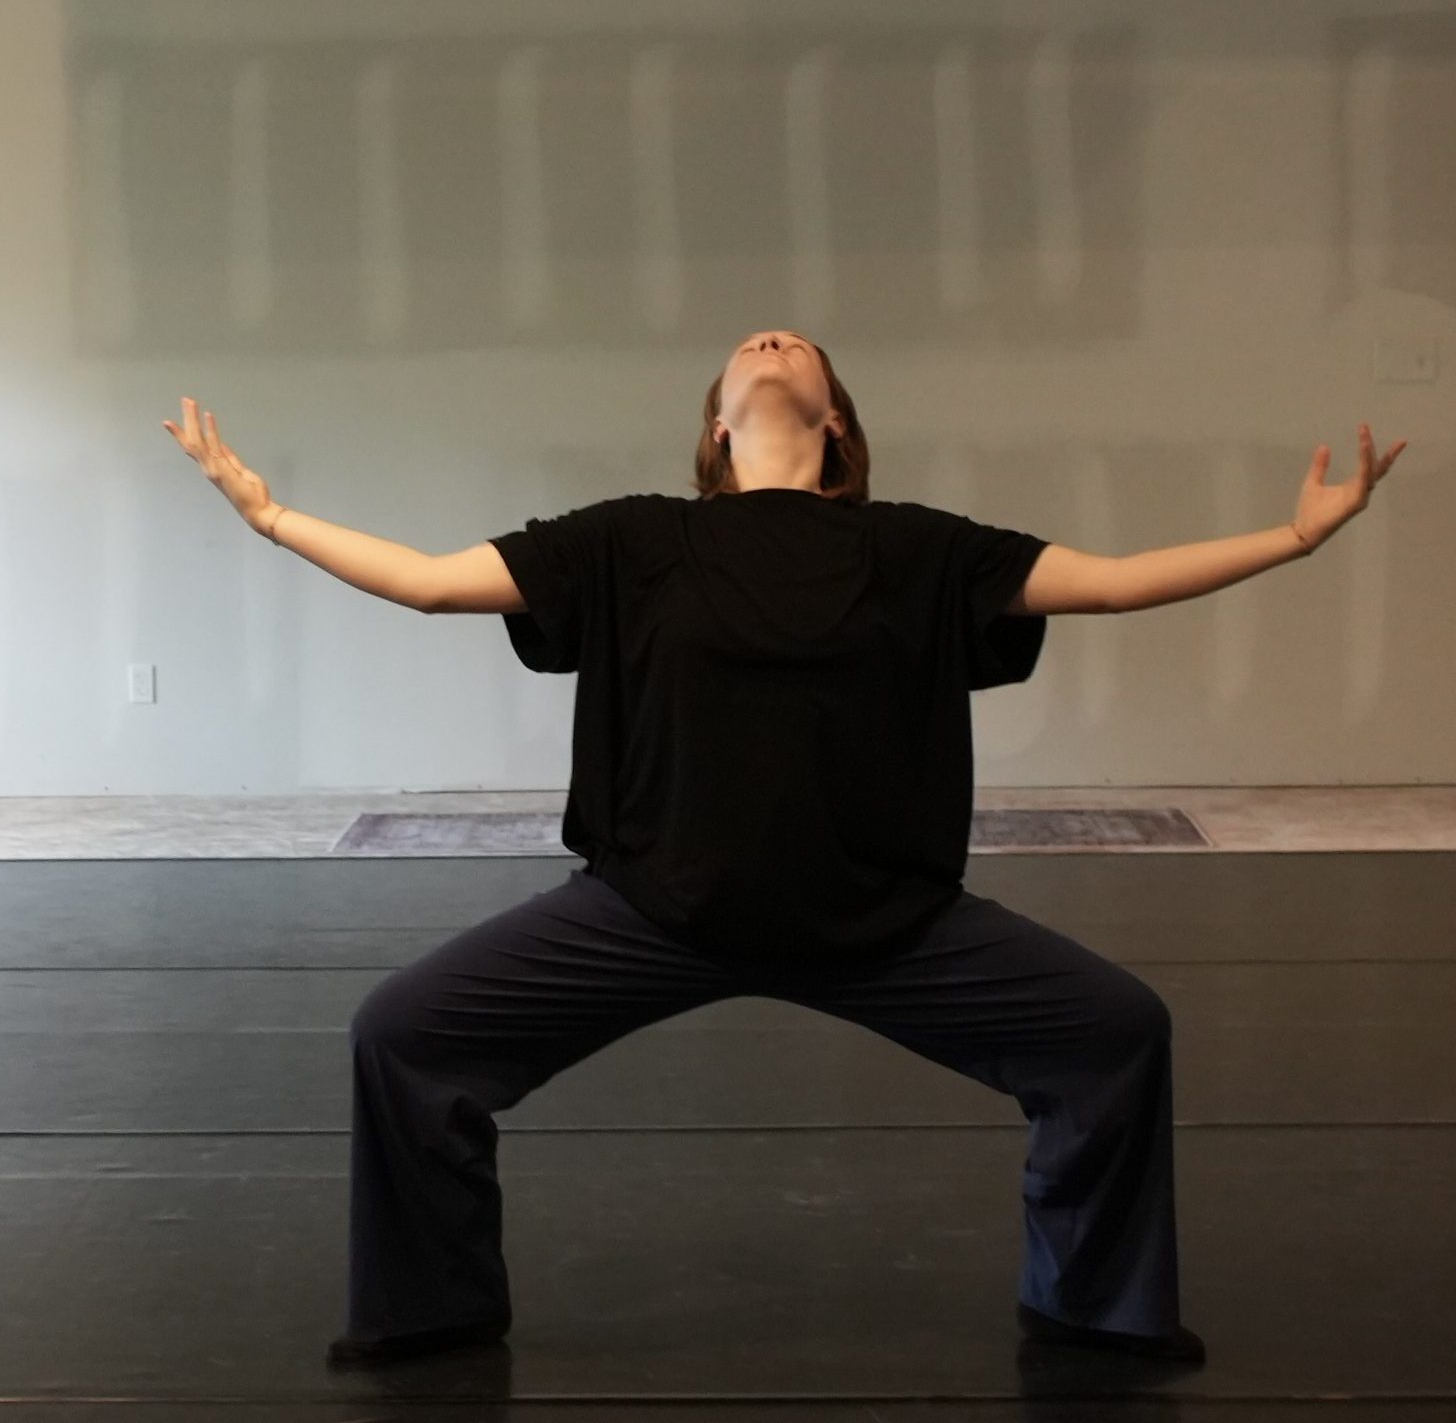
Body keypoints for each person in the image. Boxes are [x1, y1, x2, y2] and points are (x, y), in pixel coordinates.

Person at [163, 333, 1404, 1373]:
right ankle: (430, 1308)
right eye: (748, 347)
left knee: (1116, 1033)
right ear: (714, 426)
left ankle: (1097, 1303)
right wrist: (269, 517)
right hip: (650, 909)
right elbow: (432, 583)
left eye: (794, 342)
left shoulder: (919, 550)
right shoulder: (632, 539)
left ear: (835, 420)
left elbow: (1117, 581)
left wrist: (1293, 541)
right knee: (402, 1035)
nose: (769, 339)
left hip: (887, 923)